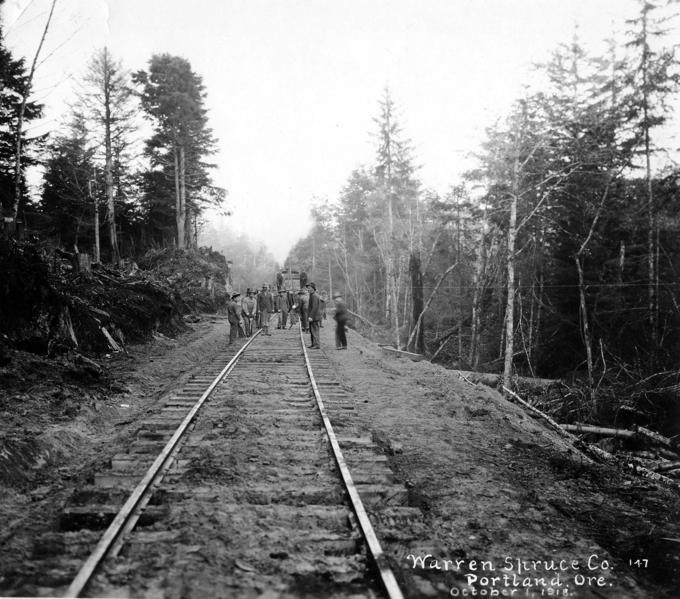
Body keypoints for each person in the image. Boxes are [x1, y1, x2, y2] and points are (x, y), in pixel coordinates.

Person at [307, 282, 322, 349]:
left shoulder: (314, 296)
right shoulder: (312, 295)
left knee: (315, 330)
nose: (308, 289)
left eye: (309, 288)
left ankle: (317, 345)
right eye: (308, 288)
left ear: (313, 288)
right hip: (313, 316)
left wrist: (311, 316)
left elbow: (315, 307)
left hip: (315, 317)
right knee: (312, 330)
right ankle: (313, 344)